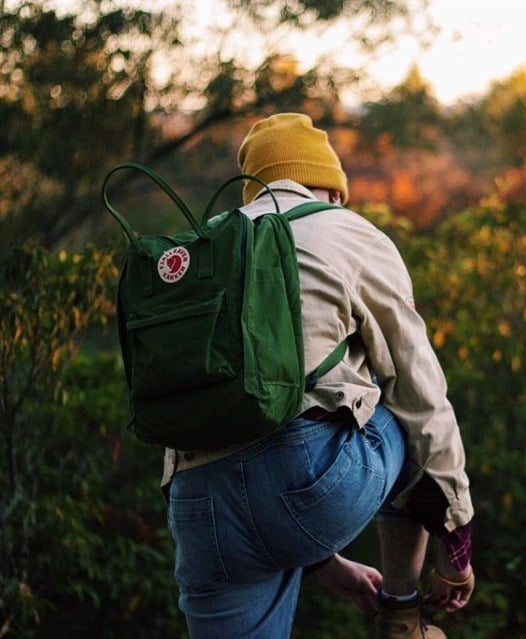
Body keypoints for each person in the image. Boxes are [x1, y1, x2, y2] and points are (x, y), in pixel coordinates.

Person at [161, 112, 475, 638]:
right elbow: (423, 396)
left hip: (198, 503)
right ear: (329, 188)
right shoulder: (350, 233)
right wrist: (458, 538)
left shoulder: (204, 243)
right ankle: (401, 612)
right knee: (394, 401)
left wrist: (323, 563)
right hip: (311, 487)